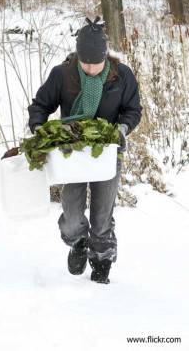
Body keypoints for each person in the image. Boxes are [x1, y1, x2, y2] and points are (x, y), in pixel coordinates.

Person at [28, 16, 142, 284]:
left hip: (106, 154)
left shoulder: (122, 76)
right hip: (72, 153)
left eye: (96, 62)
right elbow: (40, 106)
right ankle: (77, 242)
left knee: (102, 217)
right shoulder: (62, 74)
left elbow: (133, 110)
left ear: (106, 56)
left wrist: (123, 129)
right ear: (78, 56)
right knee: (71, 215)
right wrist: (39, 130)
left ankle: (101, 259)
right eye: (85, 63)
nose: (91, 68)